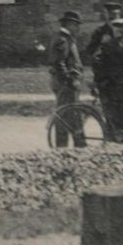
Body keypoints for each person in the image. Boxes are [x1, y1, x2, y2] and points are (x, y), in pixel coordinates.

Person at [41, 11, 87, 147]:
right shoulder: (63, 39)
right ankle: (66, 146)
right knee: (66, 114)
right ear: (70, 24)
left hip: (68, 82)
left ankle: (76, 144)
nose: (78, 28)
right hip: (65, 83)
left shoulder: (65, 38)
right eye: (76, 25)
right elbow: (59, 62)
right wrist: (69, 79)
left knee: (71, 113)